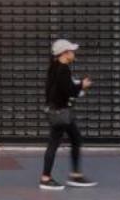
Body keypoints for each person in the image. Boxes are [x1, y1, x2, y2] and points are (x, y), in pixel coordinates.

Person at [40, 37, 96, 190]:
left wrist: (77, 85)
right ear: (65, 53)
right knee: (54, 143)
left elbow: (63, 86)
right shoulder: (63, 69)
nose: (74, 53)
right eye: (71, 50)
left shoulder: (55, 66)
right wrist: (82, 86)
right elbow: (68, 91)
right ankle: (46, 178)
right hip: (61, 112)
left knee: (76, 139)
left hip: (59, 111)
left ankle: (75, 175)